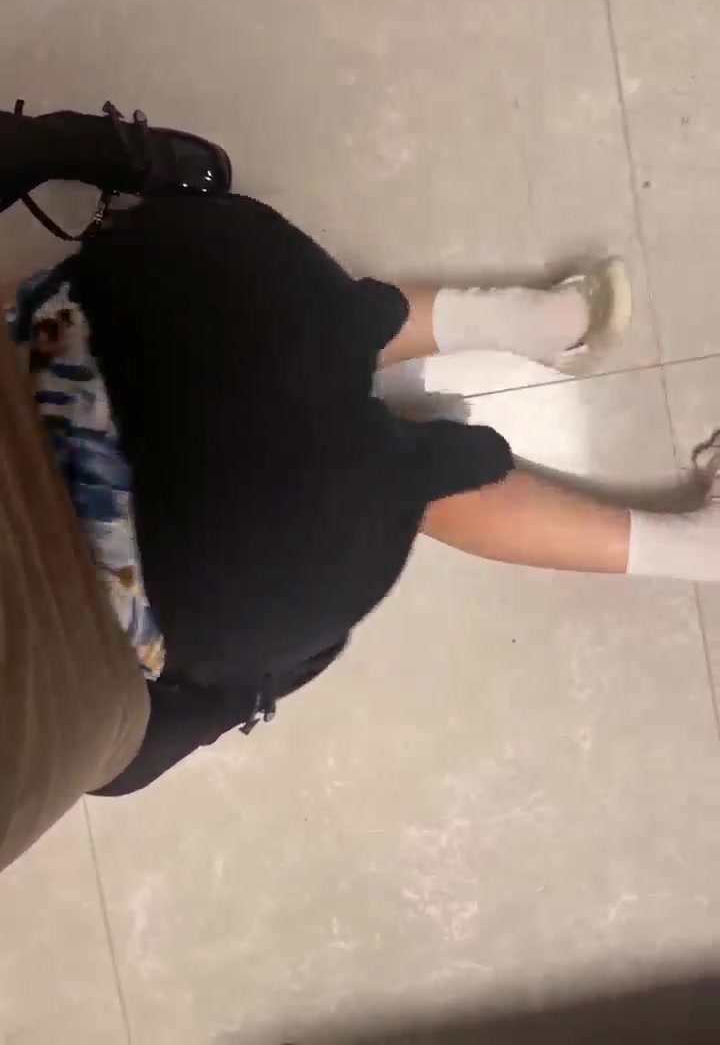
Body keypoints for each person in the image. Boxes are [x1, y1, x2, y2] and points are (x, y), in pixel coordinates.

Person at [1, 102, 718, 865]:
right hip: (133, 326)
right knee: (293, 334)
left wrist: (232, 696)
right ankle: (542, 323)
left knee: (362, 506)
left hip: (211, 589)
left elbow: (125, 760)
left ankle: (687, 543)